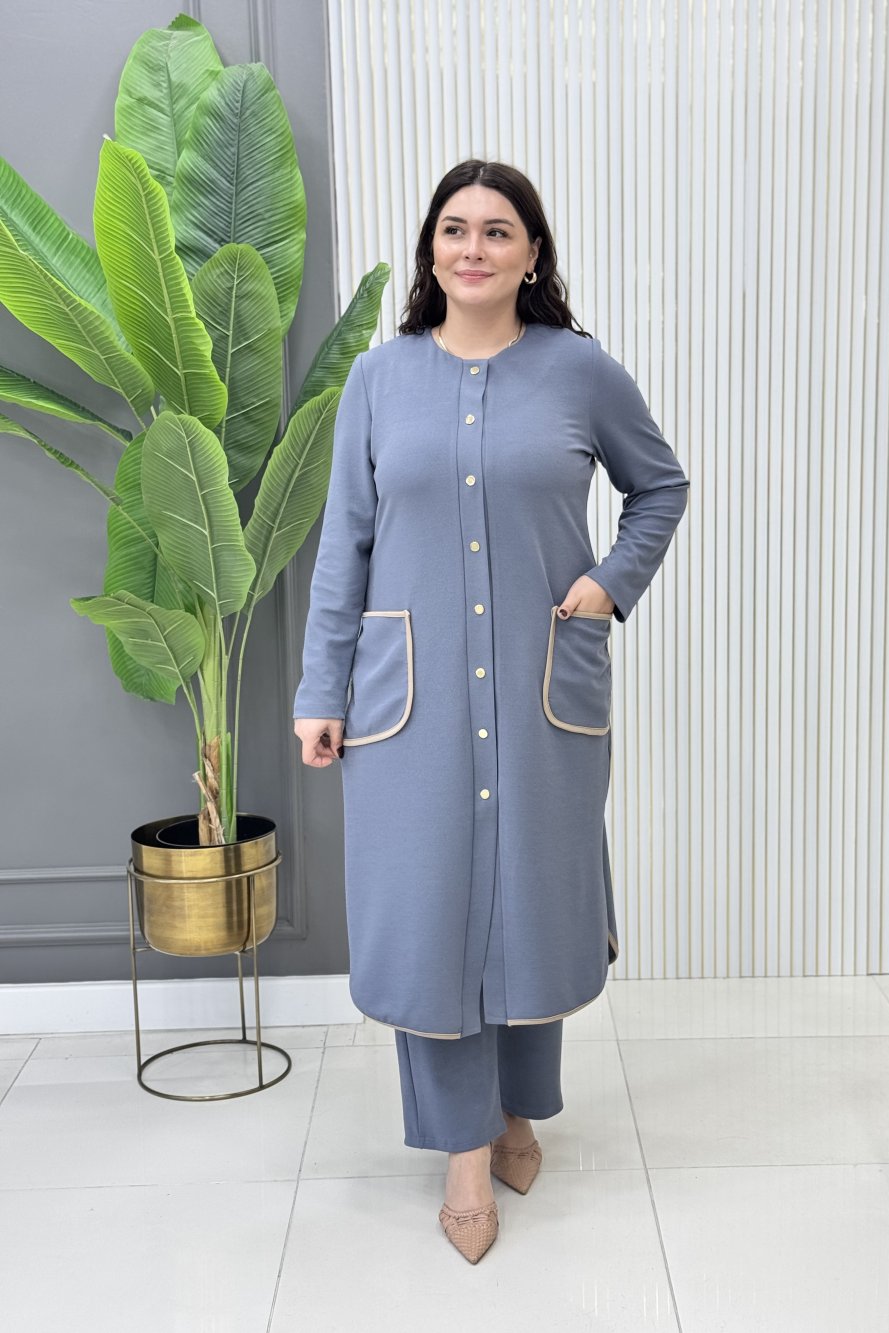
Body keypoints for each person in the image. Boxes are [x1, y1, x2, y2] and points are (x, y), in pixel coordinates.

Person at [292, 159, 689, 1263]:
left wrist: (609, 582)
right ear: (432, 248)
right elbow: (345, 544)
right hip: (405, 703)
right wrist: (320, 690)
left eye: (498, 231)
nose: (474, 248)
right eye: (455, 229)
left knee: (529, 903)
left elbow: (660, 487)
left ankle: (517, 1109)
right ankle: (465, 1152)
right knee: (430, 915)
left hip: (540, 687)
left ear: (531, 253)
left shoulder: (579, 371)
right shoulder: (379, 380)